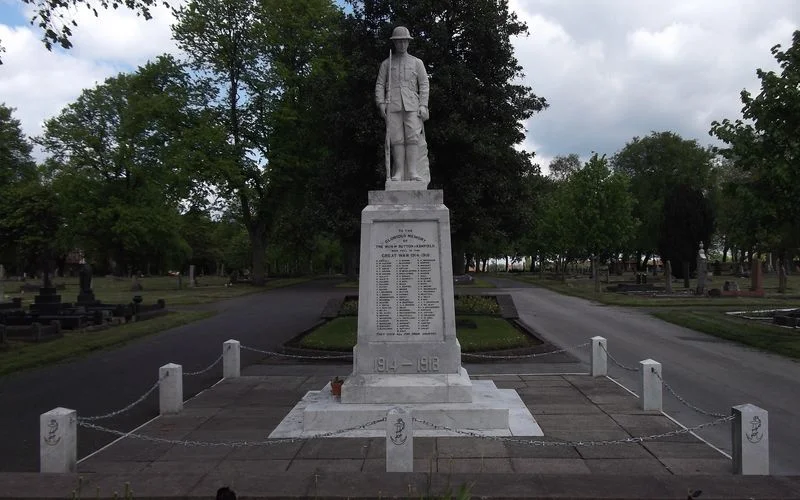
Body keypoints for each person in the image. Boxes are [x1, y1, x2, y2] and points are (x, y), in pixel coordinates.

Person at [375, 26, 430, 182]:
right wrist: (380, 103)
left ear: (408, 42)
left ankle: (413, 172)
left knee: (412, 137)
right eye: (398, 42)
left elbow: (424, 84)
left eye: (404, 41)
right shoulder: (386, 63)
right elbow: (380, 84)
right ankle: (399, 172)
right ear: (394, 43)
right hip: (392, 105)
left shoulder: (417, 62)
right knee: (397, 139)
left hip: (412, 105)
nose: (401, 45)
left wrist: (423, 105)